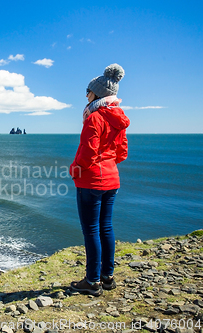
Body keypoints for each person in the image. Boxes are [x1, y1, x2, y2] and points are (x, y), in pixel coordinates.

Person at [69, 63, 130, 296]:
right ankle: (107, 277)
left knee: (91, 230)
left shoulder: (94, 118)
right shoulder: (118, 117)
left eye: (88, 90)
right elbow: (122, 153)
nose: (86, 95)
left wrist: (75, 169)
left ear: (98, 93)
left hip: (92, 181)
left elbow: (88, 152)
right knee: (106, 227)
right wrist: (108, 165)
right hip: (112, 179)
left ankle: (92, 281)